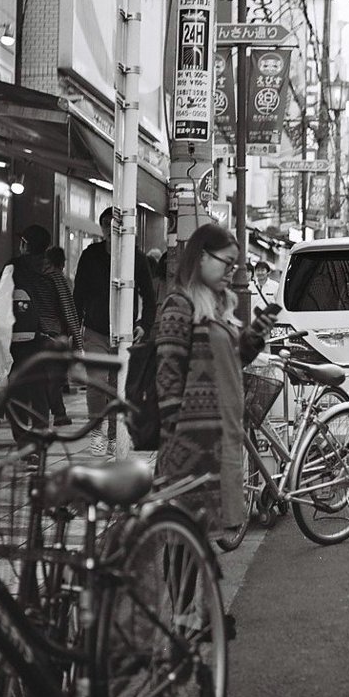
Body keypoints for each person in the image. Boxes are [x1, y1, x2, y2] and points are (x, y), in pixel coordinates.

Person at [154, 224, 277, 538]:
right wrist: (175, 440)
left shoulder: (219, 306)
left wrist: (254, 335)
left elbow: (231, 362)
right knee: (186, 549)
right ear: (201, 257)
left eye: (235, 265)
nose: (231, 272)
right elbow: (167, 377)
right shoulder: (179, 306)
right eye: (226, 263)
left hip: (221, 437)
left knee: (203, 540)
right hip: (195, 443)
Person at [73, 207, 156, 456]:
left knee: (117, 386)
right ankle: (97, 432)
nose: (111, 230)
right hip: (96, 331)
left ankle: (113, 435)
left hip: (126, 332)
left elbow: (149, 298)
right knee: (96, 384)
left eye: (116, 225)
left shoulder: (137, 258)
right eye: (107, 226)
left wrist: (143, 324)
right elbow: (79, 292)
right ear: (102, 229)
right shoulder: (90, 255)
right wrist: (75, 327)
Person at [2, 224, 82, 444]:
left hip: (18, 338)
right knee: (40, 392)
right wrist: (77, 344)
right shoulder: (54, 275)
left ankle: (22, 441)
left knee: (17, 390)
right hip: (48, 341)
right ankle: (38, 441)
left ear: (25, 245)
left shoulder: (13, 268)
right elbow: (69, 310)